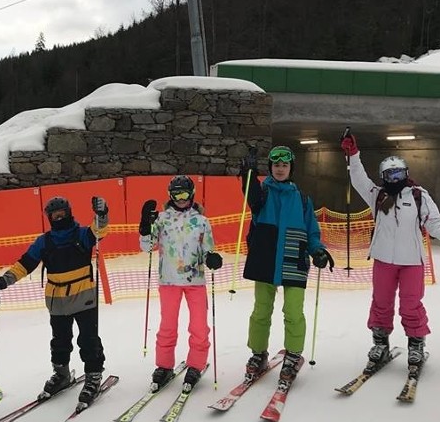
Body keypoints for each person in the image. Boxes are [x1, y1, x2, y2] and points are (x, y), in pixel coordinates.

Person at [340, 132, 440, 369]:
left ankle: (416, 345)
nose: (395, 178)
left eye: (399, 173)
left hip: (411, 262)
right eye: (390, 174)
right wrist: (353, 155)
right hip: (384, 259)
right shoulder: (378, 196)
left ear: (406, 174)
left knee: (410, 303)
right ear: (384, 177)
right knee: (381, 302)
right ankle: (380, 343)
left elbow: (432, 220)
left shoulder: (418, 195)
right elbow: (358, 179)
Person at [0, 196, 109, 406]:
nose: (59, 218)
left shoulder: (82, 235)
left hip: (84, 298)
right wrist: (2, 282)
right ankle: (61, 374)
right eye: (55, 215)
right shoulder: (44, 242)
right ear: (50, 218)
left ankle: (93, 375)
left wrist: (102, 213)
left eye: (62, 213)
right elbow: (24, 265)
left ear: (69, 213)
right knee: (60, 341)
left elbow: (100, 229)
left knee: (88, 340)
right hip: (57, 301)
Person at [238, 145, 333, 385]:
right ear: (270, 168)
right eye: (276, 165)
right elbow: (251, 195)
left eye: (285, 165)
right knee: (261, 311)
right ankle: (258, 354)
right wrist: (248, 175)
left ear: (291, 168)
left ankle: (292, 355)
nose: (280, 169)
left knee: (293, 312)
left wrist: (318, 250)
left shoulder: (302, 199)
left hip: (294, 260)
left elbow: (312, 231)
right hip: (266, 259)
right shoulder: (263, 195)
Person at [139, 175, 222, 392]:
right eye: (176, 195)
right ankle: (164, 365)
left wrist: (212, 257)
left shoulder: (202, 221)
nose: (181, 199)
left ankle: (196, 363)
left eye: (185, 194)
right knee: (167, 325)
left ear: (192, 194)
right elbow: (148, 247)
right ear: (170, 196)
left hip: (195, 280)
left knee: (198, 326)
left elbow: (208, 248)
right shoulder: (162, 219)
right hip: (168, 281)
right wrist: (145, 227)